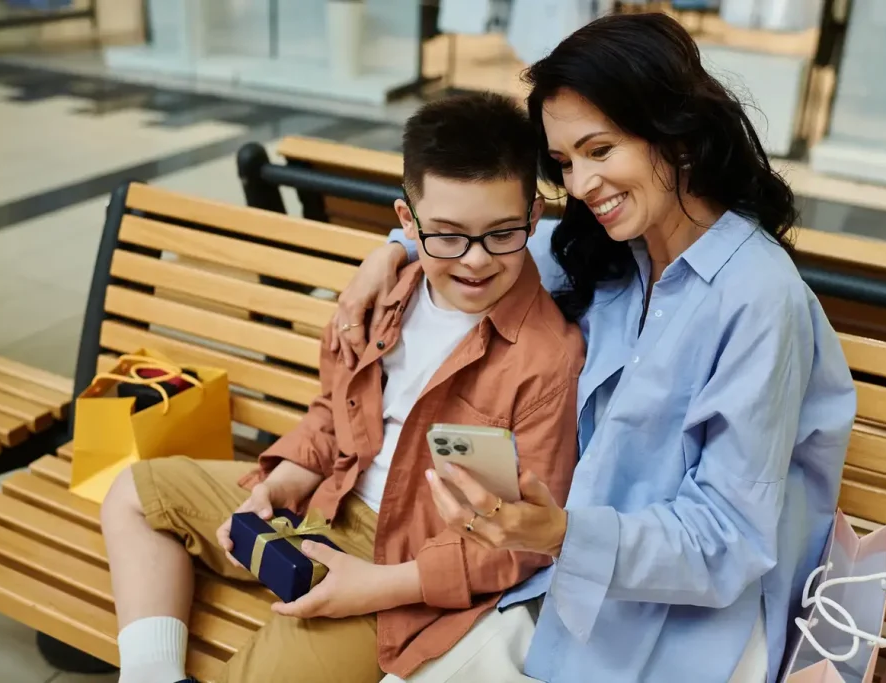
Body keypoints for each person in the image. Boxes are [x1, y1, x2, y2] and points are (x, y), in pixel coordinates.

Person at [329, 13, 857, 683]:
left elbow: (728, 539)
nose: (578, 185)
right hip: (547, 591)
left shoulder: (759, 299)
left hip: (675, 634)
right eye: (565, 162)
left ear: (678, 134)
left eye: (599, 150)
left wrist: (561, 535)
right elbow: (484, 242)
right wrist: (391, 250)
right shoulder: (605, 251)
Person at [99, 92, 585, 683]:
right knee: (136, 494)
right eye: (448, 235)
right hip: (324, 499)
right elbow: (334, 414)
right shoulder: (387, 297)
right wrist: (280, 485)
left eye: (501, 234)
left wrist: (374, 589)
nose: (475, 261)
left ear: (533, 219)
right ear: (408, 223)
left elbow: (520, 543)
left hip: (400, 568)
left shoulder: (548, 358)